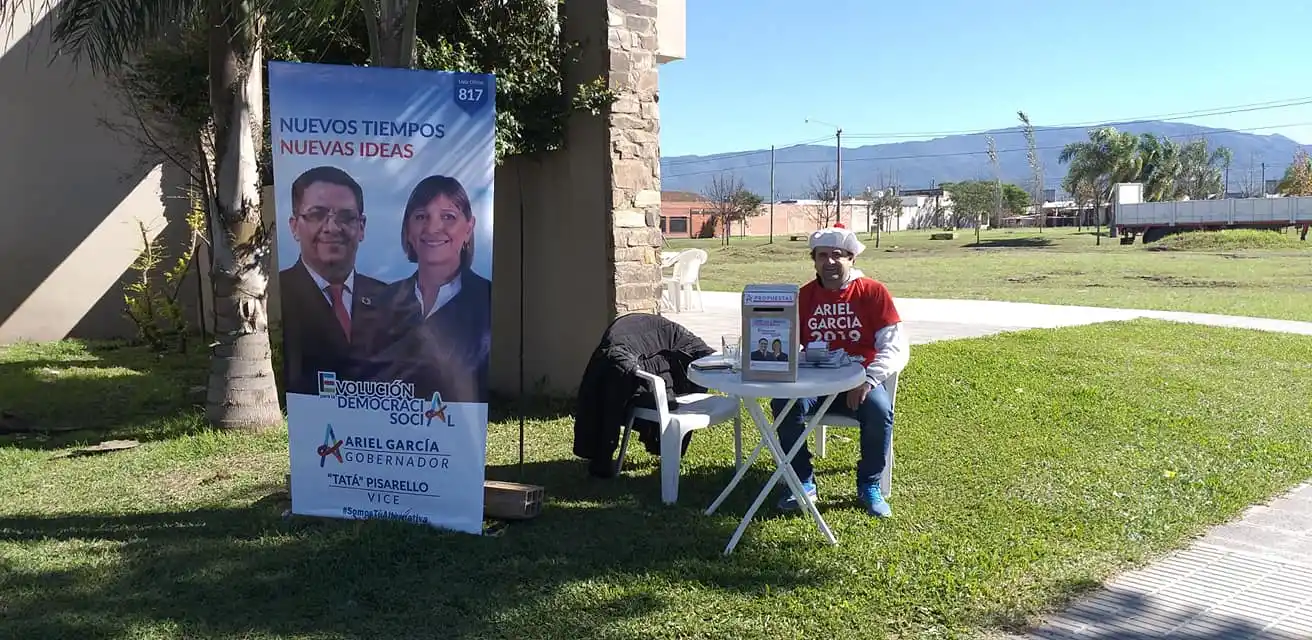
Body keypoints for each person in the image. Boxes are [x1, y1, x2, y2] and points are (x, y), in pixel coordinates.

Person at [770, 224, 910, 518]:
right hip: (814, 384)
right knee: (783, 404)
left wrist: (869, 380)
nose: (830, 262)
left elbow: (894, 346)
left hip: (859, 383)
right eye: (822, 256)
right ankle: (802, 480)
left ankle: (869, 483)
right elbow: (786, 344)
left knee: (879, 410)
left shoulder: (872, 292)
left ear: (851, 258)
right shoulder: (803, 296)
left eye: (837, 255)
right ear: (814, 261)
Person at [373, 175, 492, 403]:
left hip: (459, 422)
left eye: (448, 217)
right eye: (421, 216)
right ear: (408, 230)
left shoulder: (488, 300)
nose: (433, 227)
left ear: (469, 228)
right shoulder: (382, 302)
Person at [279, 165, 387, 395]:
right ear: (294, 227)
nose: (332, 228)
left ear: (361, 227)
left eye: (346, 217)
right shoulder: (276, 295)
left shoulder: (390, 300)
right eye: (317, 215)